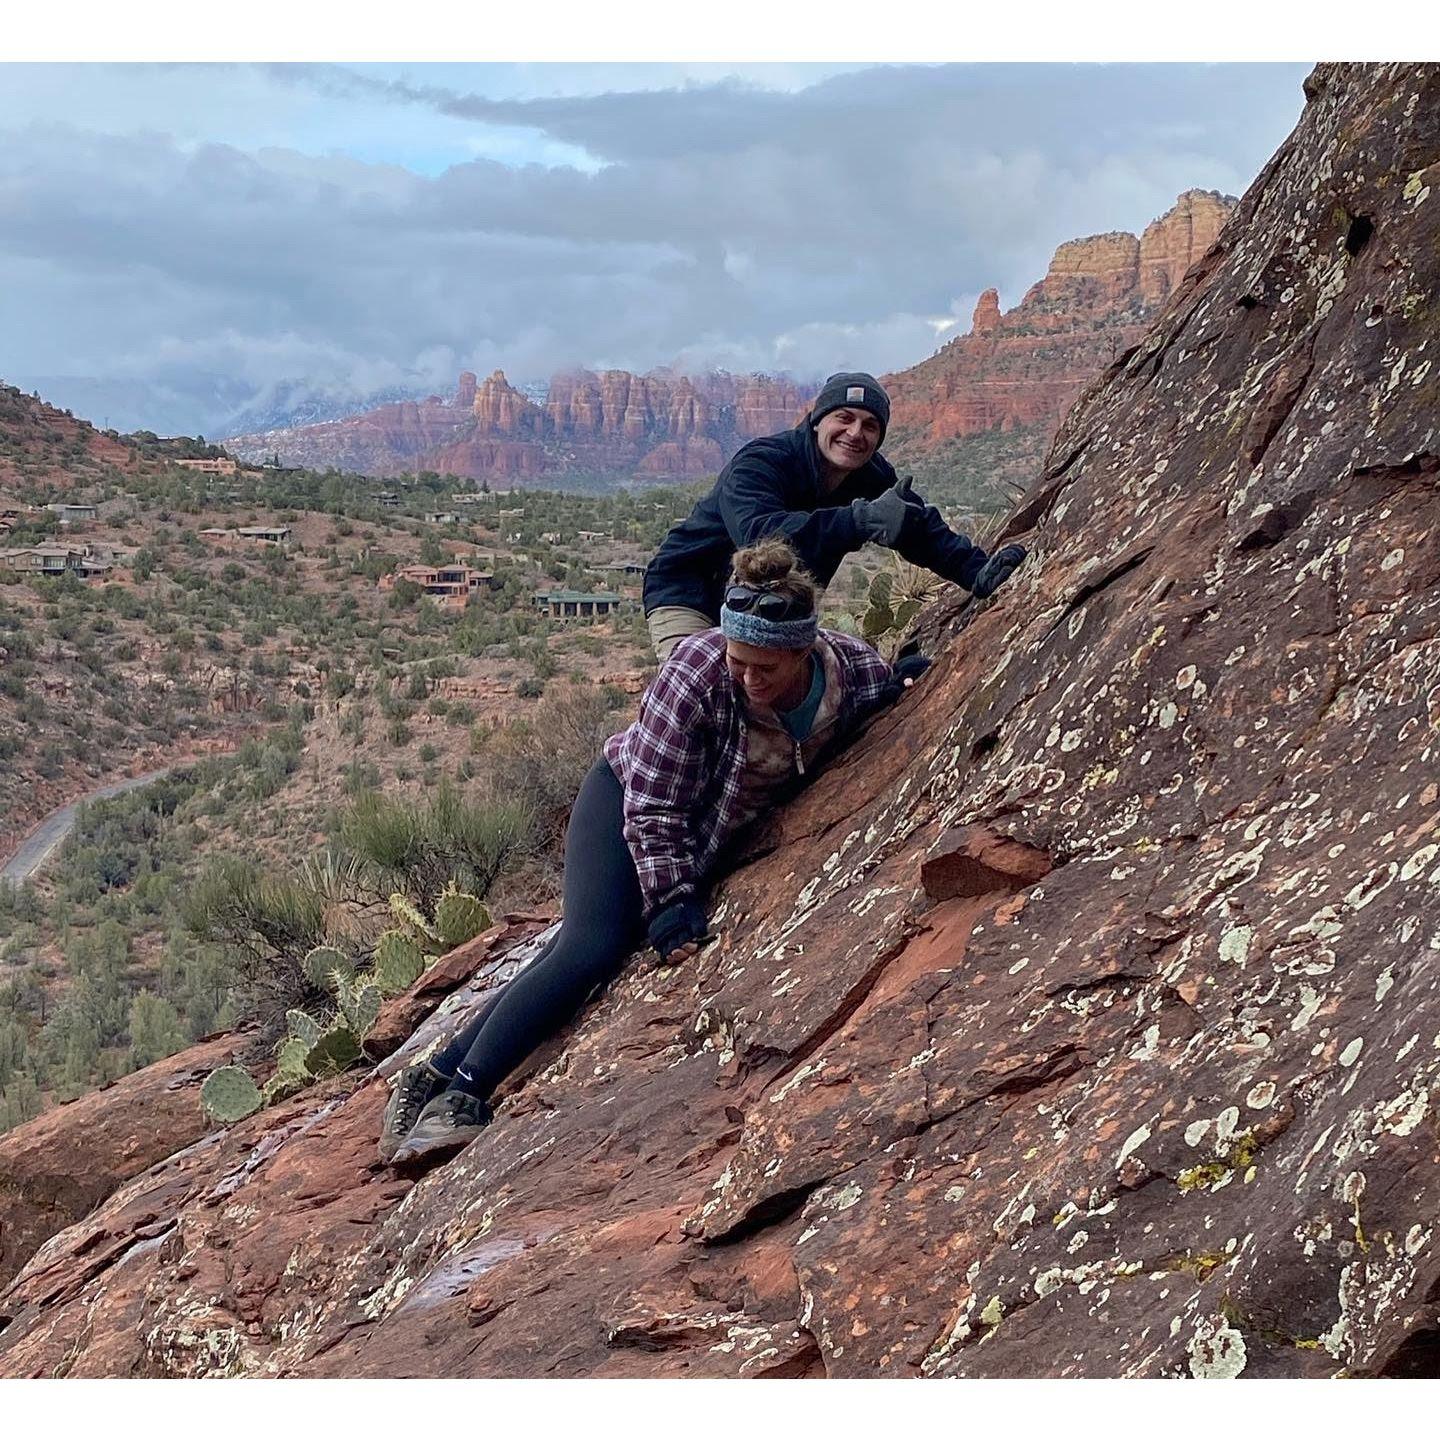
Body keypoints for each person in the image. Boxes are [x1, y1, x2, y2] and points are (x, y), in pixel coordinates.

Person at [381, 537, 929, 1167]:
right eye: (738, 660)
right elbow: (654, 804)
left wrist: (903, 684)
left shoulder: (848, 668)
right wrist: (672, 900)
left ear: (802, 650)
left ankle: (435, 1070)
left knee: (575, 951)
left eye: (765, 668)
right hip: (621, 800)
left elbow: (877, 688)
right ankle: (466, 1095)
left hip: (701, 829)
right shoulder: (696, 672)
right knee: (594, 945)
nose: (747, 678)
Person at [642, 371, 1027, 661]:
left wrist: (977, 571)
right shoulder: (762, 462)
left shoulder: (871, 475)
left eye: (870, 425)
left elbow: (915, 525)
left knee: (791, 701)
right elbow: (759, 540)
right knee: (697, 688)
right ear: (817, 420)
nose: (855, 433)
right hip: (689, 592)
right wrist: (859, 521)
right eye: (844, 417)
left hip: (773, 603)